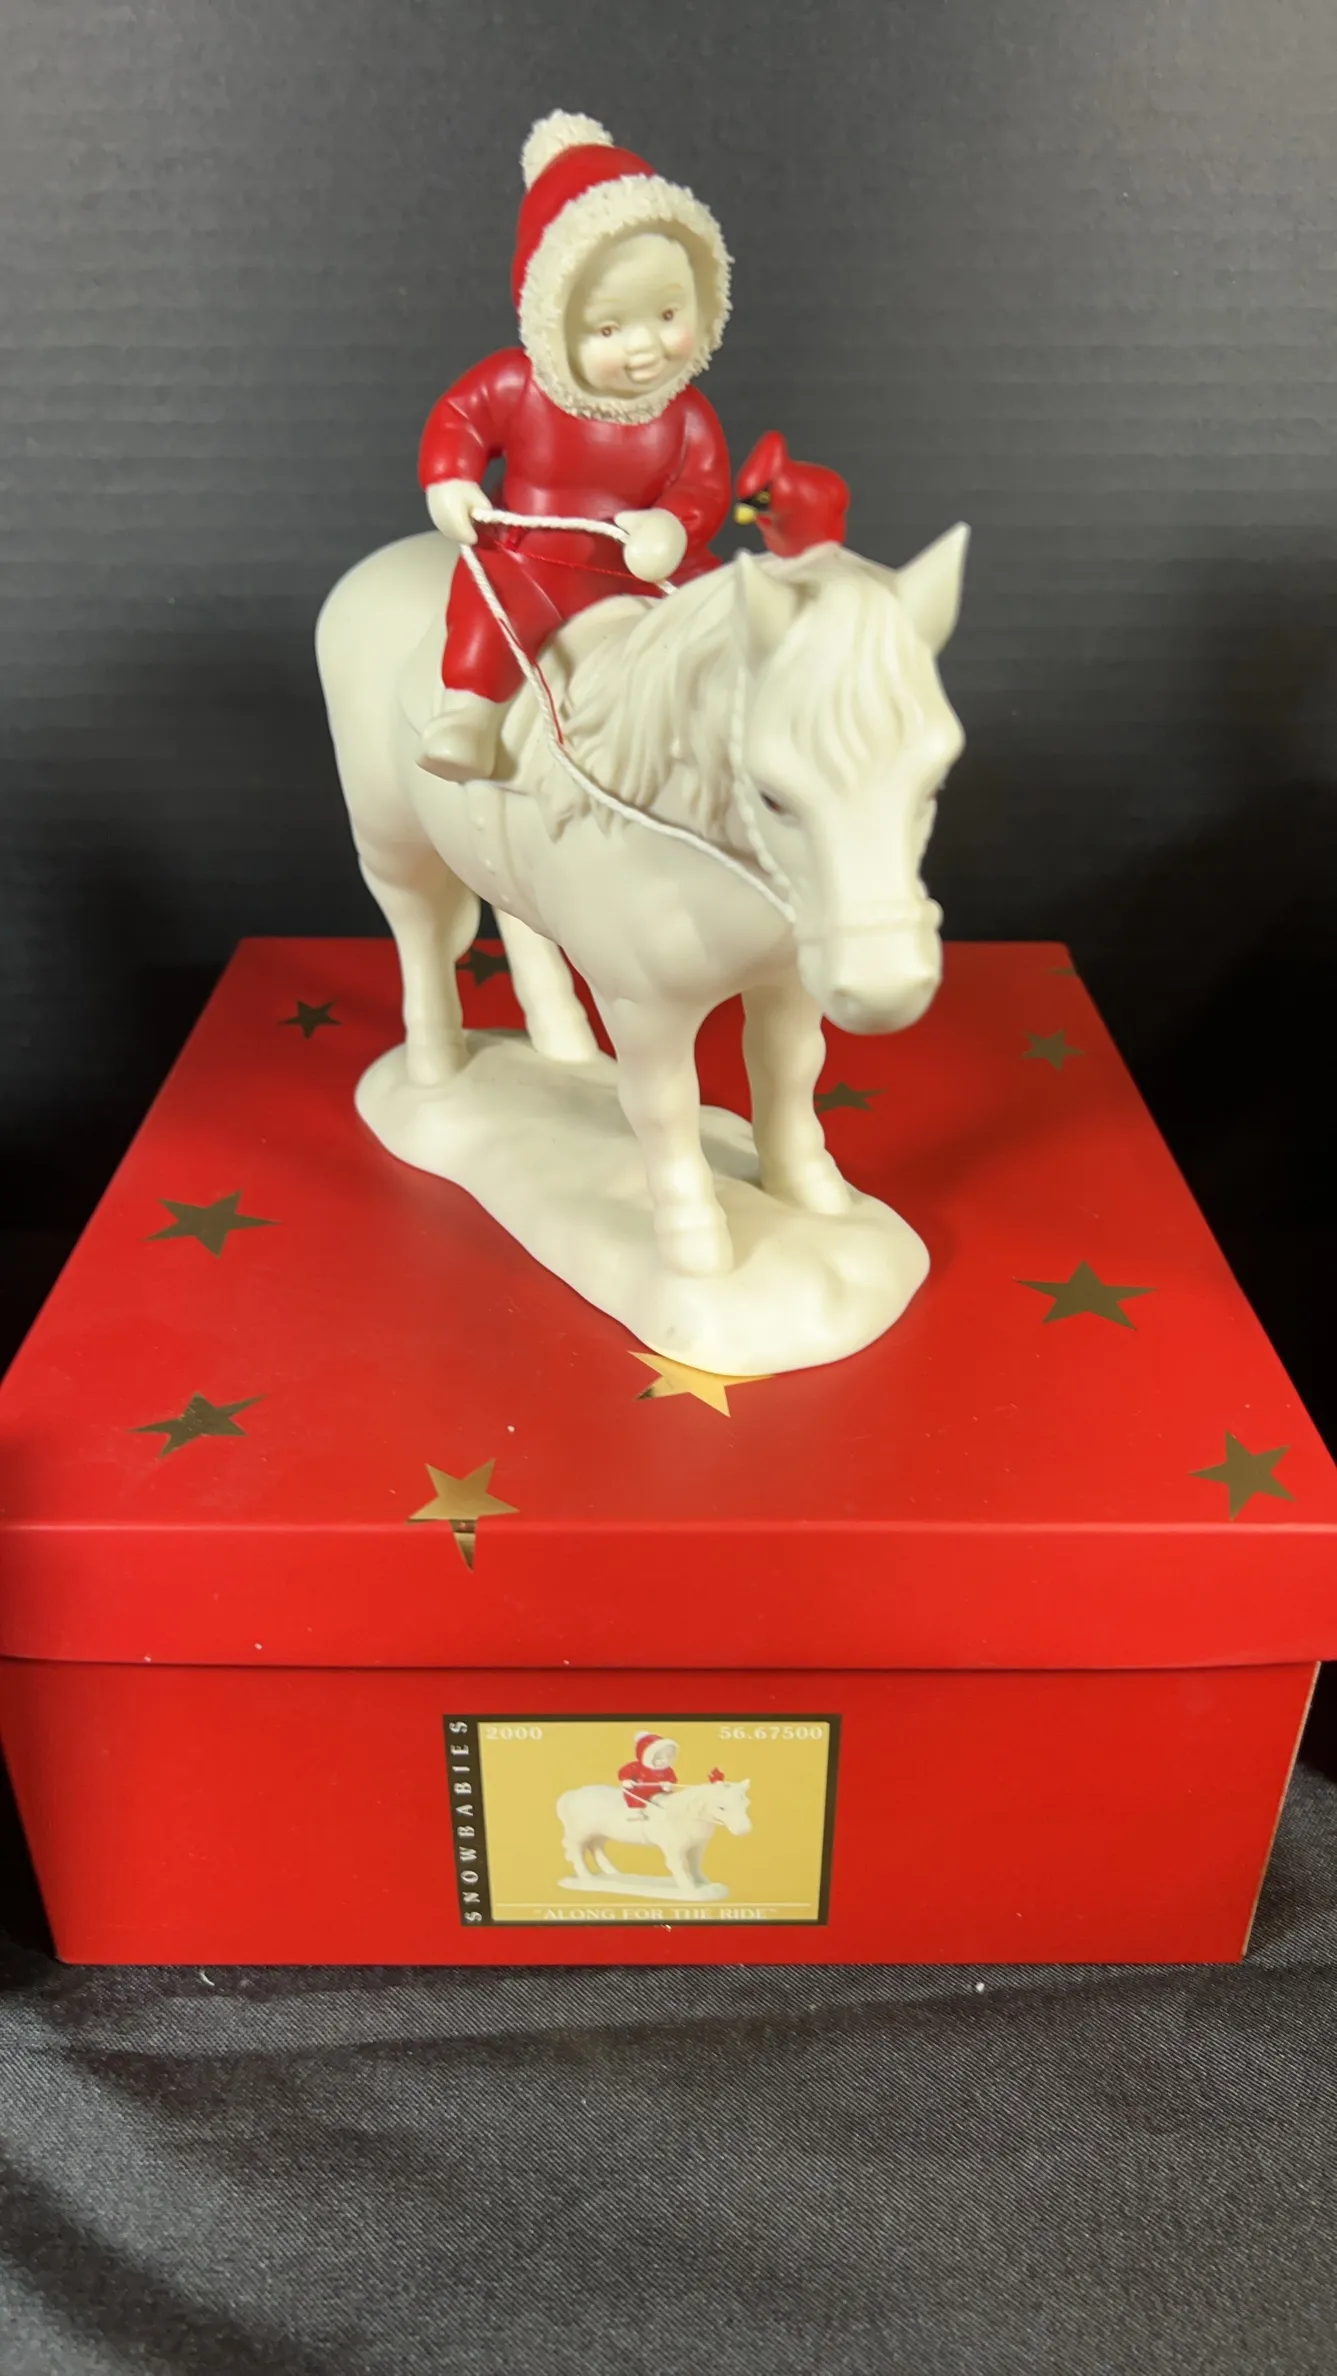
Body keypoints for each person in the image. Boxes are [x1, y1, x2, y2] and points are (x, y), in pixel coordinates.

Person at [417, 111, 733, 783]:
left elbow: (704, 484)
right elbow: (460, 418)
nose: (645, 347)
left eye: (668, 314)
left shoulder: (686, 415)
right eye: (609, 327)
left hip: (648, 570)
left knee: (724, 616)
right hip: (539, 561)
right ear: (551, 321)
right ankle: (467, 716)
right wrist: (451, 479)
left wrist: (673, 525)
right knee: (491, 613)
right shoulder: (520, 386)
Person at [618, 1732, 680, 1821]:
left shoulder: (667, 1770)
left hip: (658, 1792)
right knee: (635, 1800)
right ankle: (636, 1813)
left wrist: (668, 1784)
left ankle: (666, 1812)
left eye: (668, 1757)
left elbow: (672, 1778)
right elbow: (625, 1772)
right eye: (659, 1758)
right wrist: (626, 1780)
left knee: (666, 1799)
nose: (664, 1761)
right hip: (638, 1791)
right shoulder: (636, 1767)